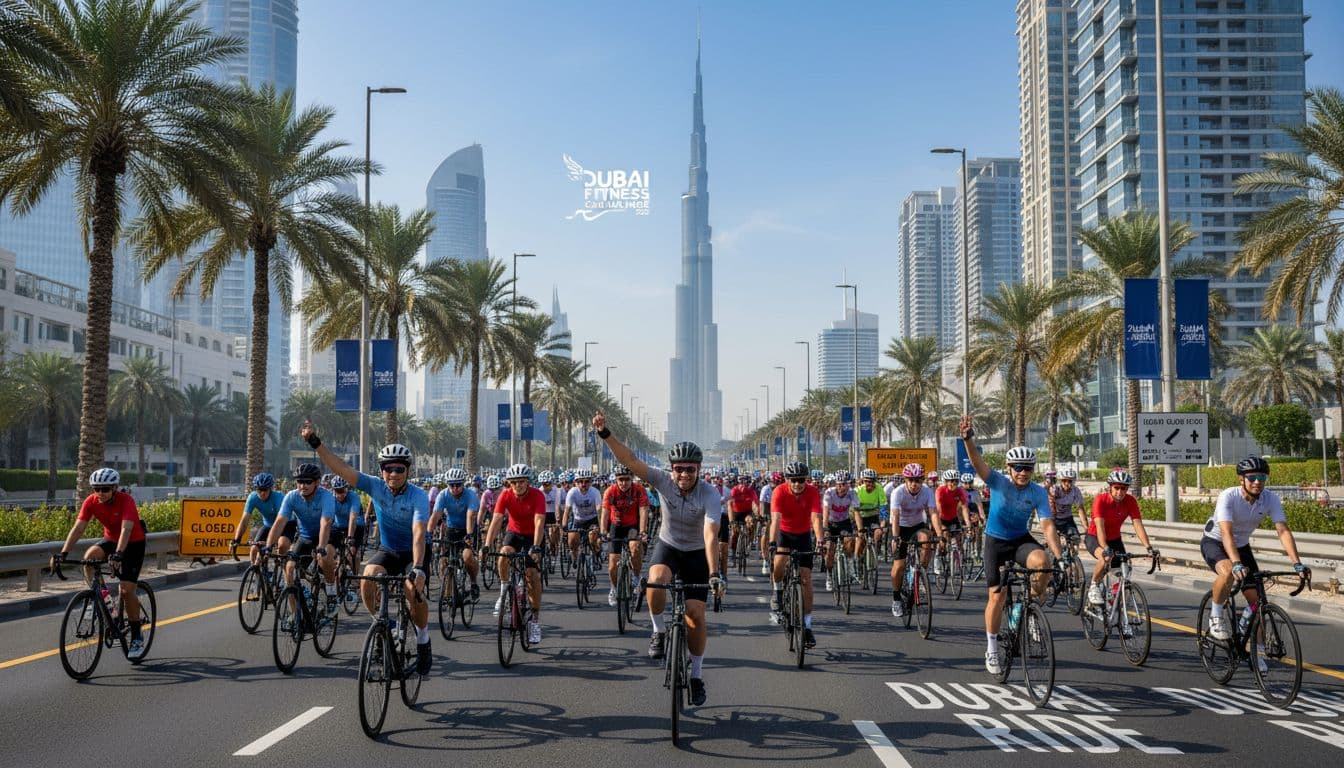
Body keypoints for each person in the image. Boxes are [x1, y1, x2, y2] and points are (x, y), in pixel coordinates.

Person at [594, 411, 721, 706]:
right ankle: (659, 630)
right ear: (672, 469)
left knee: (695, 615)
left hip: (697, 553)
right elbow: (630, 460)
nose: (684, 474)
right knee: (655, 580)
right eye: (679, 469)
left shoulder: (710, 494)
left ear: (699, 469)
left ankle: (697, 676)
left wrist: (714, 573)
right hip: (669, 546)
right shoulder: (662, 481)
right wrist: (605, 434)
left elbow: (711, 535)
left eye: (690, 469)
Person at [301, 421, 433, 677]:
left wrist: (418, 568)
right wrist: (316, 443)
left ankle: (423, 638)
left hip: (414, 551)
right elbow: (342, 468)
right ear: (382, 470)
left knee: (411, 589)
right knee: (368, 577)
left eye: (399, 468)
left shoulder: (418, 495)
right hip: (389, 549)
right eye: (388, 468)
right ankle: (383, 623)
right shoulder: (374, 486)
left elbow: (419, 533)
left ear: (407, 470)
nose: (393, 474)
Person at [959, 415, 1062, 676]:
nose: (1023, 472)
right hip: (995, 541)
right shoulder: (998, 482)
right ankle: (992, 647)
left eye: (1028, 468)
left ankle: (1027, 609)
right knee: (997, 595)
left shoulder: (1038, 492)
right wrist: (968, 439)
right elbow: (977, 462)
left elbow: (1047, 525)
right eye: (1018, 467)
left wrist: (1060, 557)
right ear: (1009, 468)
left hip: (1019, 539)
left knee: (1043, 565)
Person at [1201, 456, 1310, 642]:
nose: (1257, 482)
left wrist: (1297, 563)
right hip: (1215, 542)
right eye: (1252, 478)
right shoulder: (1229, 496)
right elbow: (1226, 533)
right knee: (1228, 571)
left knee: (1257, 603)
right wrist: (1236, 563)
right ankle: (1216, 616)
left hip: (1241, 546)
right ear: (1241, 479)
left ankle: (1255, 650)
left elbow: (1283, 530)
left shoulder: (1270, 499)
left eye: (1262, 478)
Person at [52, 468, 149, 659]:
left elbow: (126, 530)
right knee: (89, 558)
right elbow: (78, 528)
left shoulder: (126, 500)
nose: (100, 493)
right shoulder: (91, 501)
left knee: (126, 590)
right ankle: (99, 597)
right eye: (96, 489)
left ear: (114, 488)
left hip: (133, 543)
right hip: (111, 540)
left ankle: (137, 634)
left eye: (105, 489)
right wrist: (63, 553)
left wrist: (119, 555)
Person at [266, 463, 340, 625]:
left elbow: (326, 523)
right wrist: (268, 546)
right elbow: (279, 522)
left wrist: (321, 547)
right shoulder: (292, 496)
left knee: (324, 558)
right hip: (305, 536)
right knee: (290, 569)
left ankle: (332, 593)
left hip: (327, 535)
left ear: (317, 482)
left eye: (308, 482)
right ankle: (295, 614)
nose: (303, 486)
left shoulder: (326, 496)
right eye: (300, 481)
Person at [484, 463, 547, 645]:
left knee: (532, 575)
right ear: (509, 483)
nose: (517, 485)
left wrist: (536, 546)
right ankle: (504, 590)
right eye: (513, 482)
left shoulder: (537, 495)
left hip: (533, 535)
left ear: (528, 482)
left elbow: (539, 522)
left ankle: (534, 621)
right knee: (503, 553)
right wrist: (487, 545)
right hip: (514, 533)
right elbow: (497, 520)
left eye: (521, 482)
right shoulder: (505, 495)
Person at [1085, 469, 1157, 607]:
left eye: (1123, 488)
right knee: (1105, 558)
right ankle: (1094, 585)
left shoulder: (1130, 501)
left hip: (1115, 539)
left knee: (1125, 568)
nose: (1120, 492)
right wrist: (1105, 547)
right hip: (1095, 537)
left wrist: (1148, 547)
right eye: (1116, 488)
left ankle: (1114, 597)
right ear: (1110, 487)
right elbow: (1100, 526)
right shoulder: (1101, 500)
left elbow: (1137, 524)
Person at [769, 461, 822, 648]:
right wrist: (772, 543)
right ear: (787, 480)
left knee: (806, 580)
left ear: (806, 480)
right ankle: (777, 592)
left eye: (801, 480)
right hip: (784, 533)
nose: (798, 483)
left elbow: (816, 518)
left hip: (803, 535)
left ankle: (807, 626)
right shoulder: (779, 491)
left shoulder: (813, 492)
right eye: (794, 480)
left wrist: (820, 540)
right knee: (779, 564)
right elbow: (776, 519)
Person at [889, 463, 936, 619]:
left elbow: (933, 513)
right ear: (905, 480)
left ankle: (921, 572)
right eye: (911, 480)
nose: (914, 484)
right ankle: (896, 599)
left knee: (927, 539)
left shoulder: (927, 491)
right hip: (900, 527)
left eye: (918, 480)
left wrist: (940, 533)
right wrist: (895, 537)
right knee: (899, 566)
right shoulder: (898, 492)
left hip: (917, 525)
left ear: (922, 480)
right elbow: (895, 515)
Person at [602, 464, 649, 606]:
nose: (623, 483)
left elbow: (643, 510)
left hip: (632, 525)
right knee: (612, 564)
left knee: (635, 547)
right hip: (616, 526)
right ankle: (614, 588)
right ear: (616, 479)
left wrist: (643, 531)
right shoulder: (610, 491)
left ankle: (636, 576)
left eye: (627, 479)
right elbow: (605, 513)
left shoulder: (639, 490)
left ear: (632, 478)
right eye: (620, 479)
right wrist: (603, 531)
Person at [431, 468, 481, 601]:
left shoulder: (471, 495)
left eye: (458, 485)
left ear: (463, 484)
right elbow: (436, 515)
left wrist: (469, 535)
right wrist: (428, 534)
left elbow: (470, 516)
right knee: (444, 562)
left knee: (467, 556)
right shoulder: (443, 495)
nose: (454, 488)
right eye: (451, 485)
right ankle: (448, 593)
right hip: (451, 529)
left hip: (467, 529)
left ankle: (473, 582)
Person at [230, 473, 290, 563]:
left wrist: (271, 542)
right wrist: (237, 539)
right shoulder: (253, 497)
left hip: (285, 525)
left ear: (270, 489)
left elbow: (279, 522)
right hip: (268, 525)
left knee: (282, 546)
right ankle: (256, 569)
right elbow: (244, 520)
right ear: (256, 489)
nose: (262, 493)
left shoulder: (278, 497)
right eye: (259, 490)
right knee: (254, 549)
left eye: (265, 490)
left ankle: (284, 567)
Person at [822, 470, 859, 591]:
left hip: (844, 522)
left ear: (849, 484)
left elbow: (857, 512)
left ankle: (850, 569)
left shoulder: (852, 493)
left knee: (850, 542)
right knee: (829, 550)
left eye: (845, 484)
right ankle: (829, 576)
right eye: (839, 484)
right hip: (831, 523)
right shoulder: (829, 493)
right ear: (836, 484)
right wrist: (825, 528)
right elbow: (825, 512)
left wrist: (860, 529)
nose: (842, 487)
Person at [562, 469, 603, 566]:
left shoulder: (595, 492)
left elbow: (599, 511)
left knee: (593, 538)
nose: (583, 484)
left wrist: (602, 528)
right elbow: (567, 511)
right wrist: (564, 526)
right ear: (575, 482)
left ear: (591, 482)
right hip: (578, 520)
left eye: (586, 481)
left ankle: (596, 554)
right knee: (572, 540)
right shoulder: (572, 492)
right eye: (580, 481)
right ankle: (575, 557)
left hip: (592, 519)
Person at [933, 469, 970, 572]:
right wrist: (940, 527)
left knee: (958, 541)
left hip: (953, 518)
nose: (953, 483)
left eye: (955, 481)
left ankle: (960, 564)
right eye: (950, 481)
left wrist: (968, 525)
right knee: (944, 539)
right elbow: (938, 508)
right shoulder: (940, 490)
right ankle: (938, 559)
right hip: (942, 518)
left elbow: (964, 508)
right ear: (945, 481)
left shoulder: (960, 491)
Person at [728, 474, 759, 569]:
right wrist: (731, 521)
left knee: (751, 523)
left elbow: (755, 504)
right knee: (734, 533)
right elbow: (730, 504)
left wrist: (757, 515)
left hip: (747, 512)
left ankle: (748, 543)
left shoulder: (751, 491)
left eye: (745, 481)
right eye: (741, 482)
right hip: (736, 512)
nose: (743, 483)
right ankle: (733, 553)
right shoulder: (734, 490)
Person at [1048, 467, 1085, 542]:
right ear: (1060, 480)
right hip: (1054, 518)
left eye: (1070, 481)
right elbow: (1050, 506)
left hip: (1068, 519)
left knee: (1076, 538)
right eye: (1064, 480)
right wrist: (1051, 523)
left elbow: (1080, 509)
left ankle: (1073, 548)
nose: (1067, 483)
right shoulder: (1055, 489)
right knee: (1054, 540)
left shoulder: (1075, 490)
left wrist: (1086, 527)